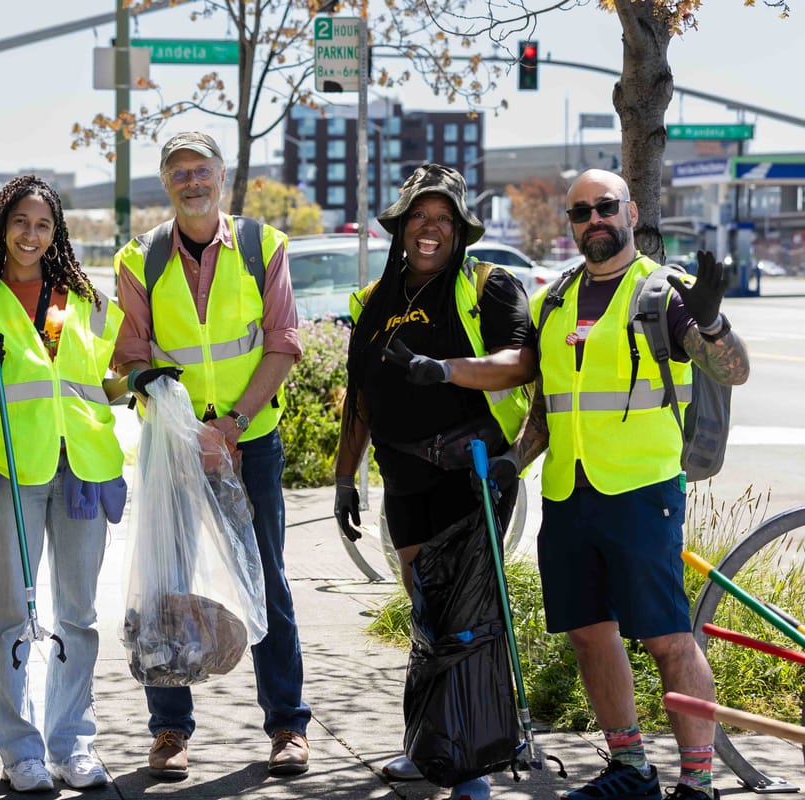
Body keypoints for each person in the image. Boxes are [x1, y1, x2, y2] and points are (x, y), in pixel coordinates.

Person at [510, 169, 750, 800]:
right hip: (568, 494)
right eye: (581, 212)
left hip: (643, 492)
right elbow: (547, 405)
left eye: (605, 207)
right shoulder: (553, 301)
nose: (595, 220)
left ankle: (697, 782)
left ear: (632, 212)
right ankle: (630, 768)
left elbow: (735, 369)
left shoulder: (662, 293)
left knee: (668, 636)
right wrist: (514, 463)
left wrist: (714, 323)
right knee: (590, 632)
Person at [333, 162, 536, 800]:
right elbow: (358, 398)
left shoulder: (487, 285)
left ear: (460, 230)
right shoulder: (374, 301)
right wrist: (345, 478)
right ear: (399, 226)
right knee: (426, 615)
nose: (430, 229)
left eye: (443, 219)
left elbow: (520, 362)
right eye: (419, 217)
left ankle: (470, 764)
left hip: (468, 473)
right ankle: (429, 749)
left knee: (465, 618)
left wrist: (443, 371)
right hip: (403, 479)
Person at [112, 131, 312, 778]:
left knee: (267, 582)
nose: (191, 181)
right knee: (167, 584)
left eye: (201, 170)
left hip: (249, 444)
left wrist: (231, 424)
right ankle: (170, 731)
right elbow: (133, 354)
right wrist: (183, 423)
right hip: (172, 447)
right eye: (178, 173)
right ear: (166, 185)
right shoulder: (138, 259)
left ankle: (287, 725)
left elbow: (282, 342)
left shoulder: (263, 247)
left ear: (221, 177)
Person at [0, 175, 129, 793]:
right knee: (11, 617)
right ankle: (19, 750)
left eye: (43, 224)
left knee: (79, 615)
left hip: (83, 471)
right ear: (1, 226)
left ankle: (74, 745)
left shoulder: (87, 302)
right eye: (20, 221)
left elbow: (105, 386)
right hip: (13, 477)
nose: (31, 233)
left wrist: (147, 380)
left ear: (57, 233)